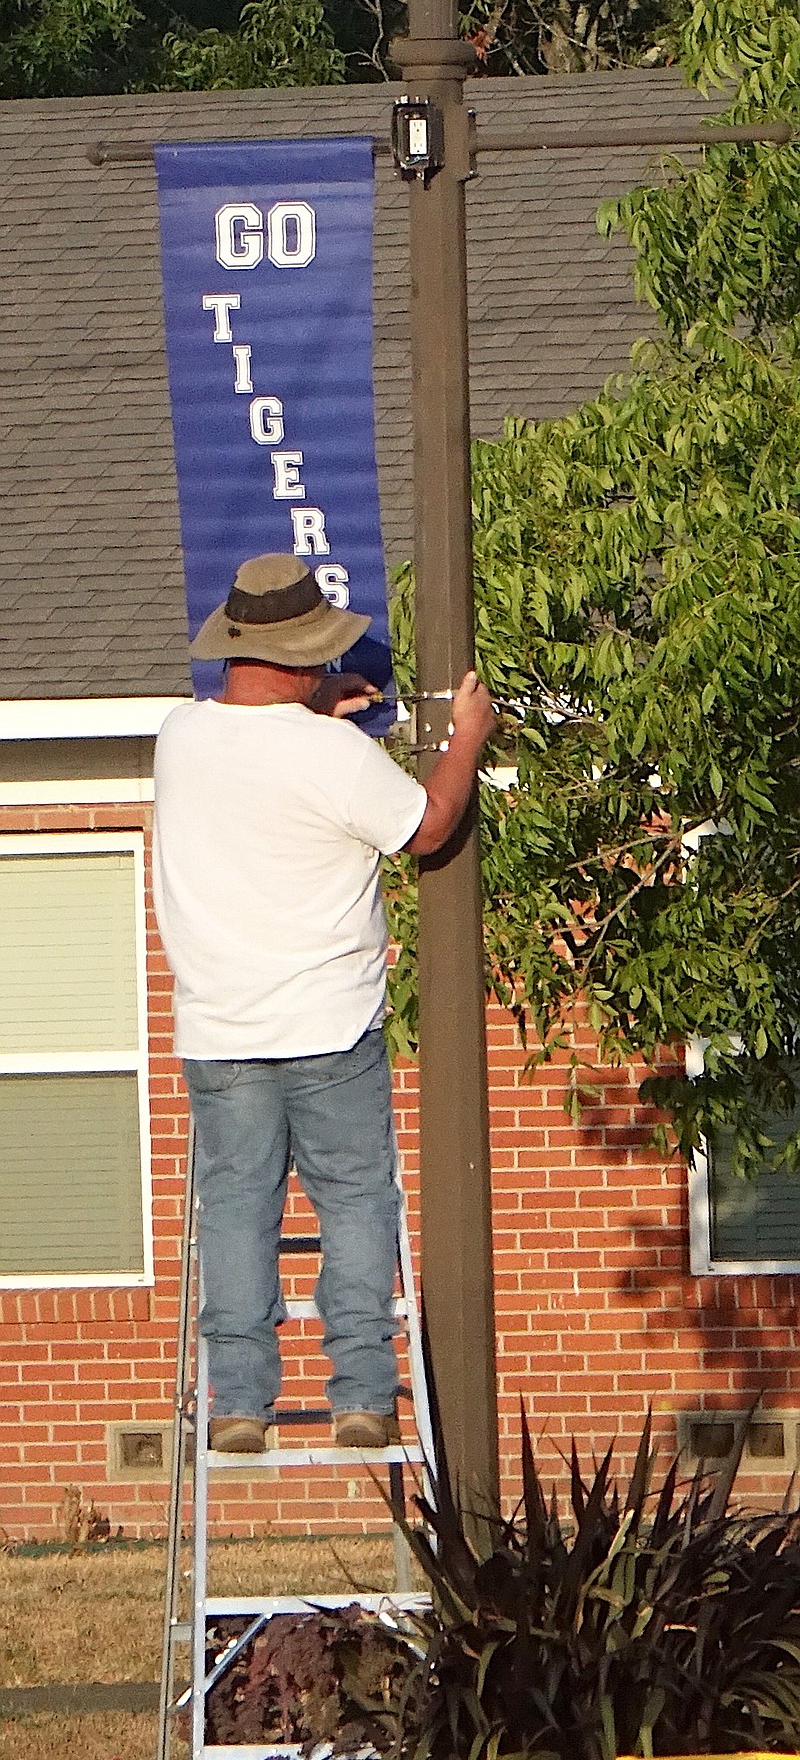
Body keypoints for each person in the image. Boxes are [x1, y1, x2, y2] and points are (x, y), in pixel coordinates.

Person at [153, 551, 495, 1452]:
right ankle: (360, 1393)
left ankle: (238, 1401)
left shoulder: (177, 739)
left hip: (220, 1028)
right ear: (307, 657)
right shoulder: (334, 756)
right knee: (351, 1201)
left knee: (236, 1208)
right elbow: (426, 827)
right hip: (330, 1026)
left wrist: (313, 715)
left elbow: (262, 754)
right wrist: (467, 736)